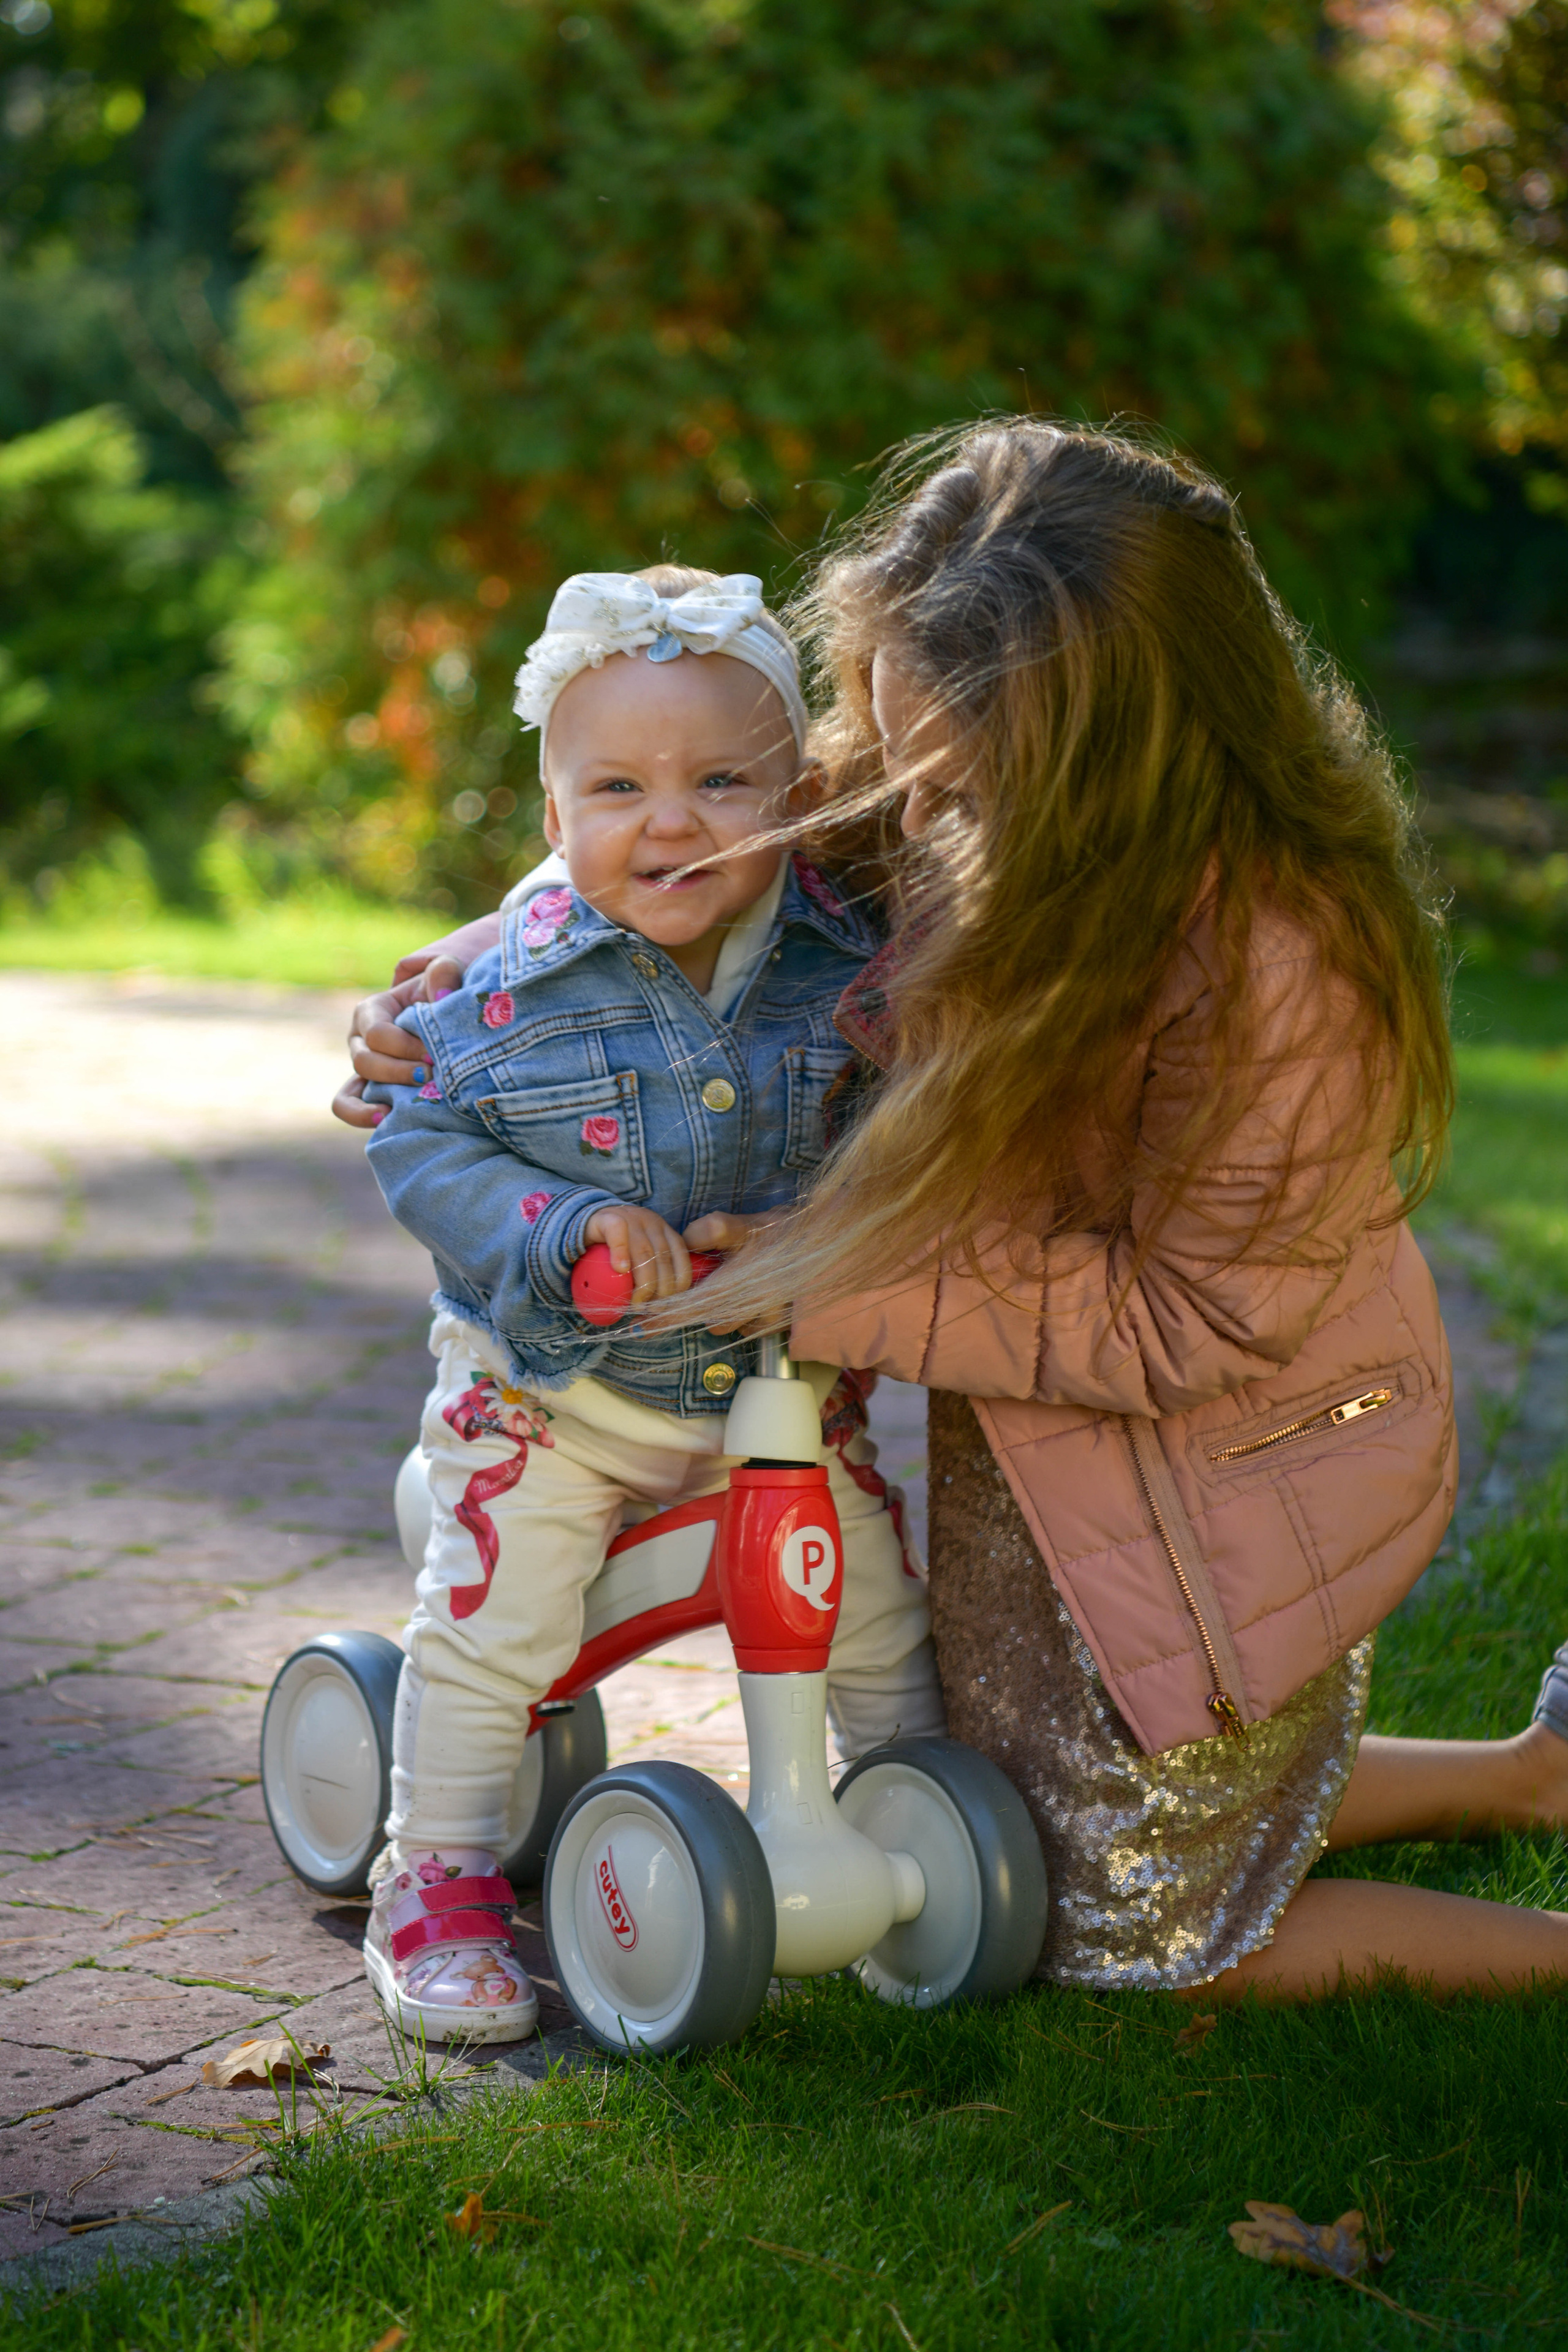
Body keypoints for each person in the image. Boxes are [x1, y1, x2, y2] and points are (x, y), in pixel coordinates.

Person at [657, 421, 1568, 2003]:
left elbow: (1186, 1324)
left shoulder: (1284, 970)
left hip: (1213, 1491)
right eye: (904, 760)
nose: (914, 814)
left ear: (1107, 779)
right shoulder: (983, 782)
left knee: (1133, 1933)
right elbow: (741, 877)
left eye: (959, 790)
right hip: (1057, 1461)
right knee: (1049, 1816)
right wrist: (486, 997)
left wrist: (852, 1281)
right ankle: (1524, 1778)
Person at [353, 565, 939, 2044]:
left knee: (872, 1615)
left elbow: (911, 1124)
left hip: (776, 1401)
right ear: (554, 826)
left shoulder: (849, 962)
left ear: (798, 792)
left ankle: (911, 1816)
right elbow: (419, 1142)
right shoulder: (501, 992)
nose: (667, 820)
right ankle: (433, 1876)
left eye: (721, 780)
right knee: (496, 1627)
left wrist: (836, 1226)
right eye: (614, 785)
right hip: (556, 1390)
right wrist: (559, 1228)